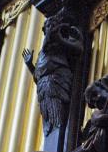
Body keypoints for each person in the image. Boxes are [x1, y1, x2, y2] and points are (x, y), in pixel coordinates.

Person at [23, 8, 84, 136]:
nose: (49, 28)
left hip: (56, 82)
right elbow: (38, 75)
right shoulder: (43, 52)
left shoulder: (62, 42)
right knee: (49, 116)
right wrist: (30, 65)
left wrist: (60, 39)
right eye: (47, 26)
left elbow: (78, 48)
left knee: (57, 118)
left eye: (52, 25)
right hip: (43, 88)